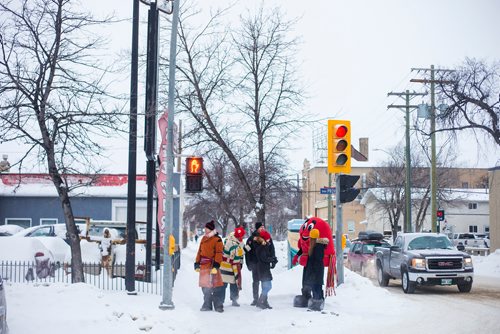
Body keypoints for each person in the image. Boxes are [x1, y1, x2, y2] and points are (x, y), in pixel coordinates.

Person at [194, 220, 225, 312]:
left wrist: (216, 266)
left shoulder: (217, 240)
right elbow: (199, 252)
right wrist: (197, 263)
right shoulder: (203, 239)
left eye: (207, 228)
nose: (205, 230)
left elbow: (219, 253)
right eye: (205, 228)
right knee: (205, 286)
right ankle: (207, 304)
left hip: (212, 265)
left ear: (211, 229)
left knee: (216, 286)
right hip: (204, 266)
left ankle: (218, 305)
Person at [245, 222, 277, 305]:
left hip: (264, 264)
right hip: (254, 263)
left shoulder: (267, 237)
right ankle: (255, 299)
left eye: (263, 227)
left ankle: (264, 300)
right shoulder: (251, 239)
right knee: (256, 281)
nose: (262, 228)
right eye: (260, 227)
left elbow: (272, 249)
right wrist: (248, 264)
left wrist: (273, 260)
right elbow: (247, 252)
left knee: (264, 281)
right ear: (257, 229)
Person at [303, 228, 328, 311]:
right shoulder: (316, 246)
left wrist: (313, 272)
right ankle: (317, 303)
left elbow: (317, 260)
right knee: (316, 286)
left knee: (316, 287)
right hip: (315, 270)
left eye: (310, 237)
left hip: (316, 271)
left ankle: (318, 303)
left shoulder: (318, 247)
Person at [220, 226, 245, 306]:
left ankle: (234, 299)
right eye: (242, 235)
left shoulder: (240, 241)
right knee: (224, 284)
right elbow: (235, 255)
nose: (243, 237)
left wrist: (241, 263)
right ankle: (220, 301)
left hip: (234, 266)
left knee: (234, 284)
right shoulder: (231, 242)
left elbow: (240, 256)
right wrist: (246, 249)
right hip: (227, 265)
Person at [253, 229, 277, 309]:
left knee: (265, 286)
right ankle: (260, 301)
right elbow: (264, 258)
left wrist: (273, 259)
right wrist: (272, 260)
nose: (269, 240)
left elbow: (268, 255)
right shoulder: (262, 246)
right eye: (267, 238)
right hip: (263, 268)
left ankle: (264, 302)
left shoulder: (264, 245)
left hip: (264, 268)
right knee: (268, 286)